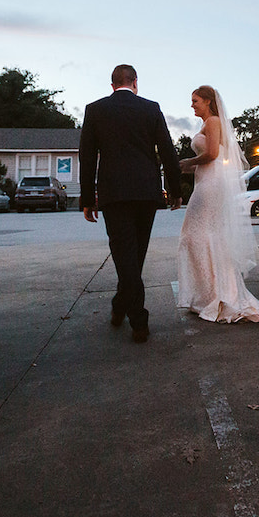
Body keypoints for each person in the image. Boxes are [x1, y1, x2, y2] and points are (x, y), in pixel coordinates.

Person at [80, 64, 181, 342]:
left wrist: (88, 199)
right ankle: (131, 313)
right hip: (146, 193)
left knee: (125, 256)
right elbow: (168, 151)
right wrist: (175, 190)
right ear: (135, 82)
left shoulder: (96, 110)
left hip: (113, 195)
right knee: (135, 256)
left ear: (112, 85)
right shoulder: (151, 108)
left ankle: (128, 313)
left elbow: (87, 158)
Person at [176, 85, 259, 323]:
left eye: (195, 100)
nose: (192, 105)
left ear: (208, 101)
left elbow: (210, 154)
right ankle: (209, 294)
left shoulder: (213, 122)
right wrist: (190, 167)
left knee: (195, 234)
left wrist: (187, 162)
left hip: (211, 183)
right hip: (206, 180)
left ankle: (218, 295)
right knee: (207, 234)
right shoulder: (206, 124)